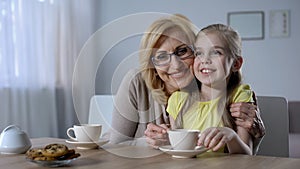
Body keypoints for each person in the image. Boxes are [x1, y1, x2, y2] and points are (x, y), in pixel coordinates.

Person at [109, 14, 264, 152]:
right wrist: (153, 143)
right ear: (153, 66)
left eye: (182, 51)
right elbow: (115, 147)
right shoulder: (136, 82)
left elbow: (244, 152)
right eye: (162, 56)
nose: (176, 65)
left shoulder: (213, 85)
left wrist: (255, 133)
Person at [167, 23, 252, 154]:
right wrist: (163, 139)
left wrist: (231, 137)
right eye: (199, 53)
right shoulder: (178, 100)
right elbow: (177, 149)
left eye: (216, 52)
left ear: (236, 64)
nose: (205, 60)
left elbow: (247, 154)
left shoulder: (239, 97)